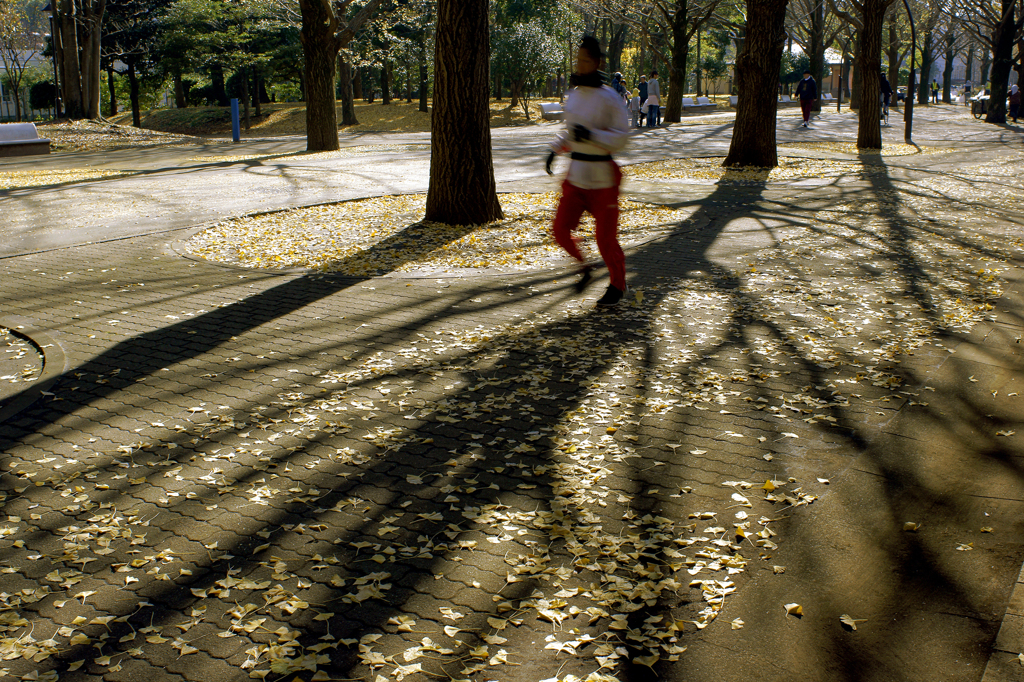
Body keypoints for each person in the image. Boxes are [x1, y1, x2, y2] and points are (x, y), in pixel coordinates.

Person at [545, 36, 631, 307]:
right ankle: (584, 267)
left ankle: (617, 285)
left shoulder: (610, 97)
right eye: (578, 60)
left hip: (603, 178)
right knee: (560, 230)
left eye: (585, 60)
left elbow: (622, 138)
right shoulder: (573, 95)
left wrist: (592, 135)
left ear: (597, 63)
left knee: (605, 239)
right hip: (576, 176)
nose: (580, 65)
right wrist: (555, 148)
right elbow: (571, 133)